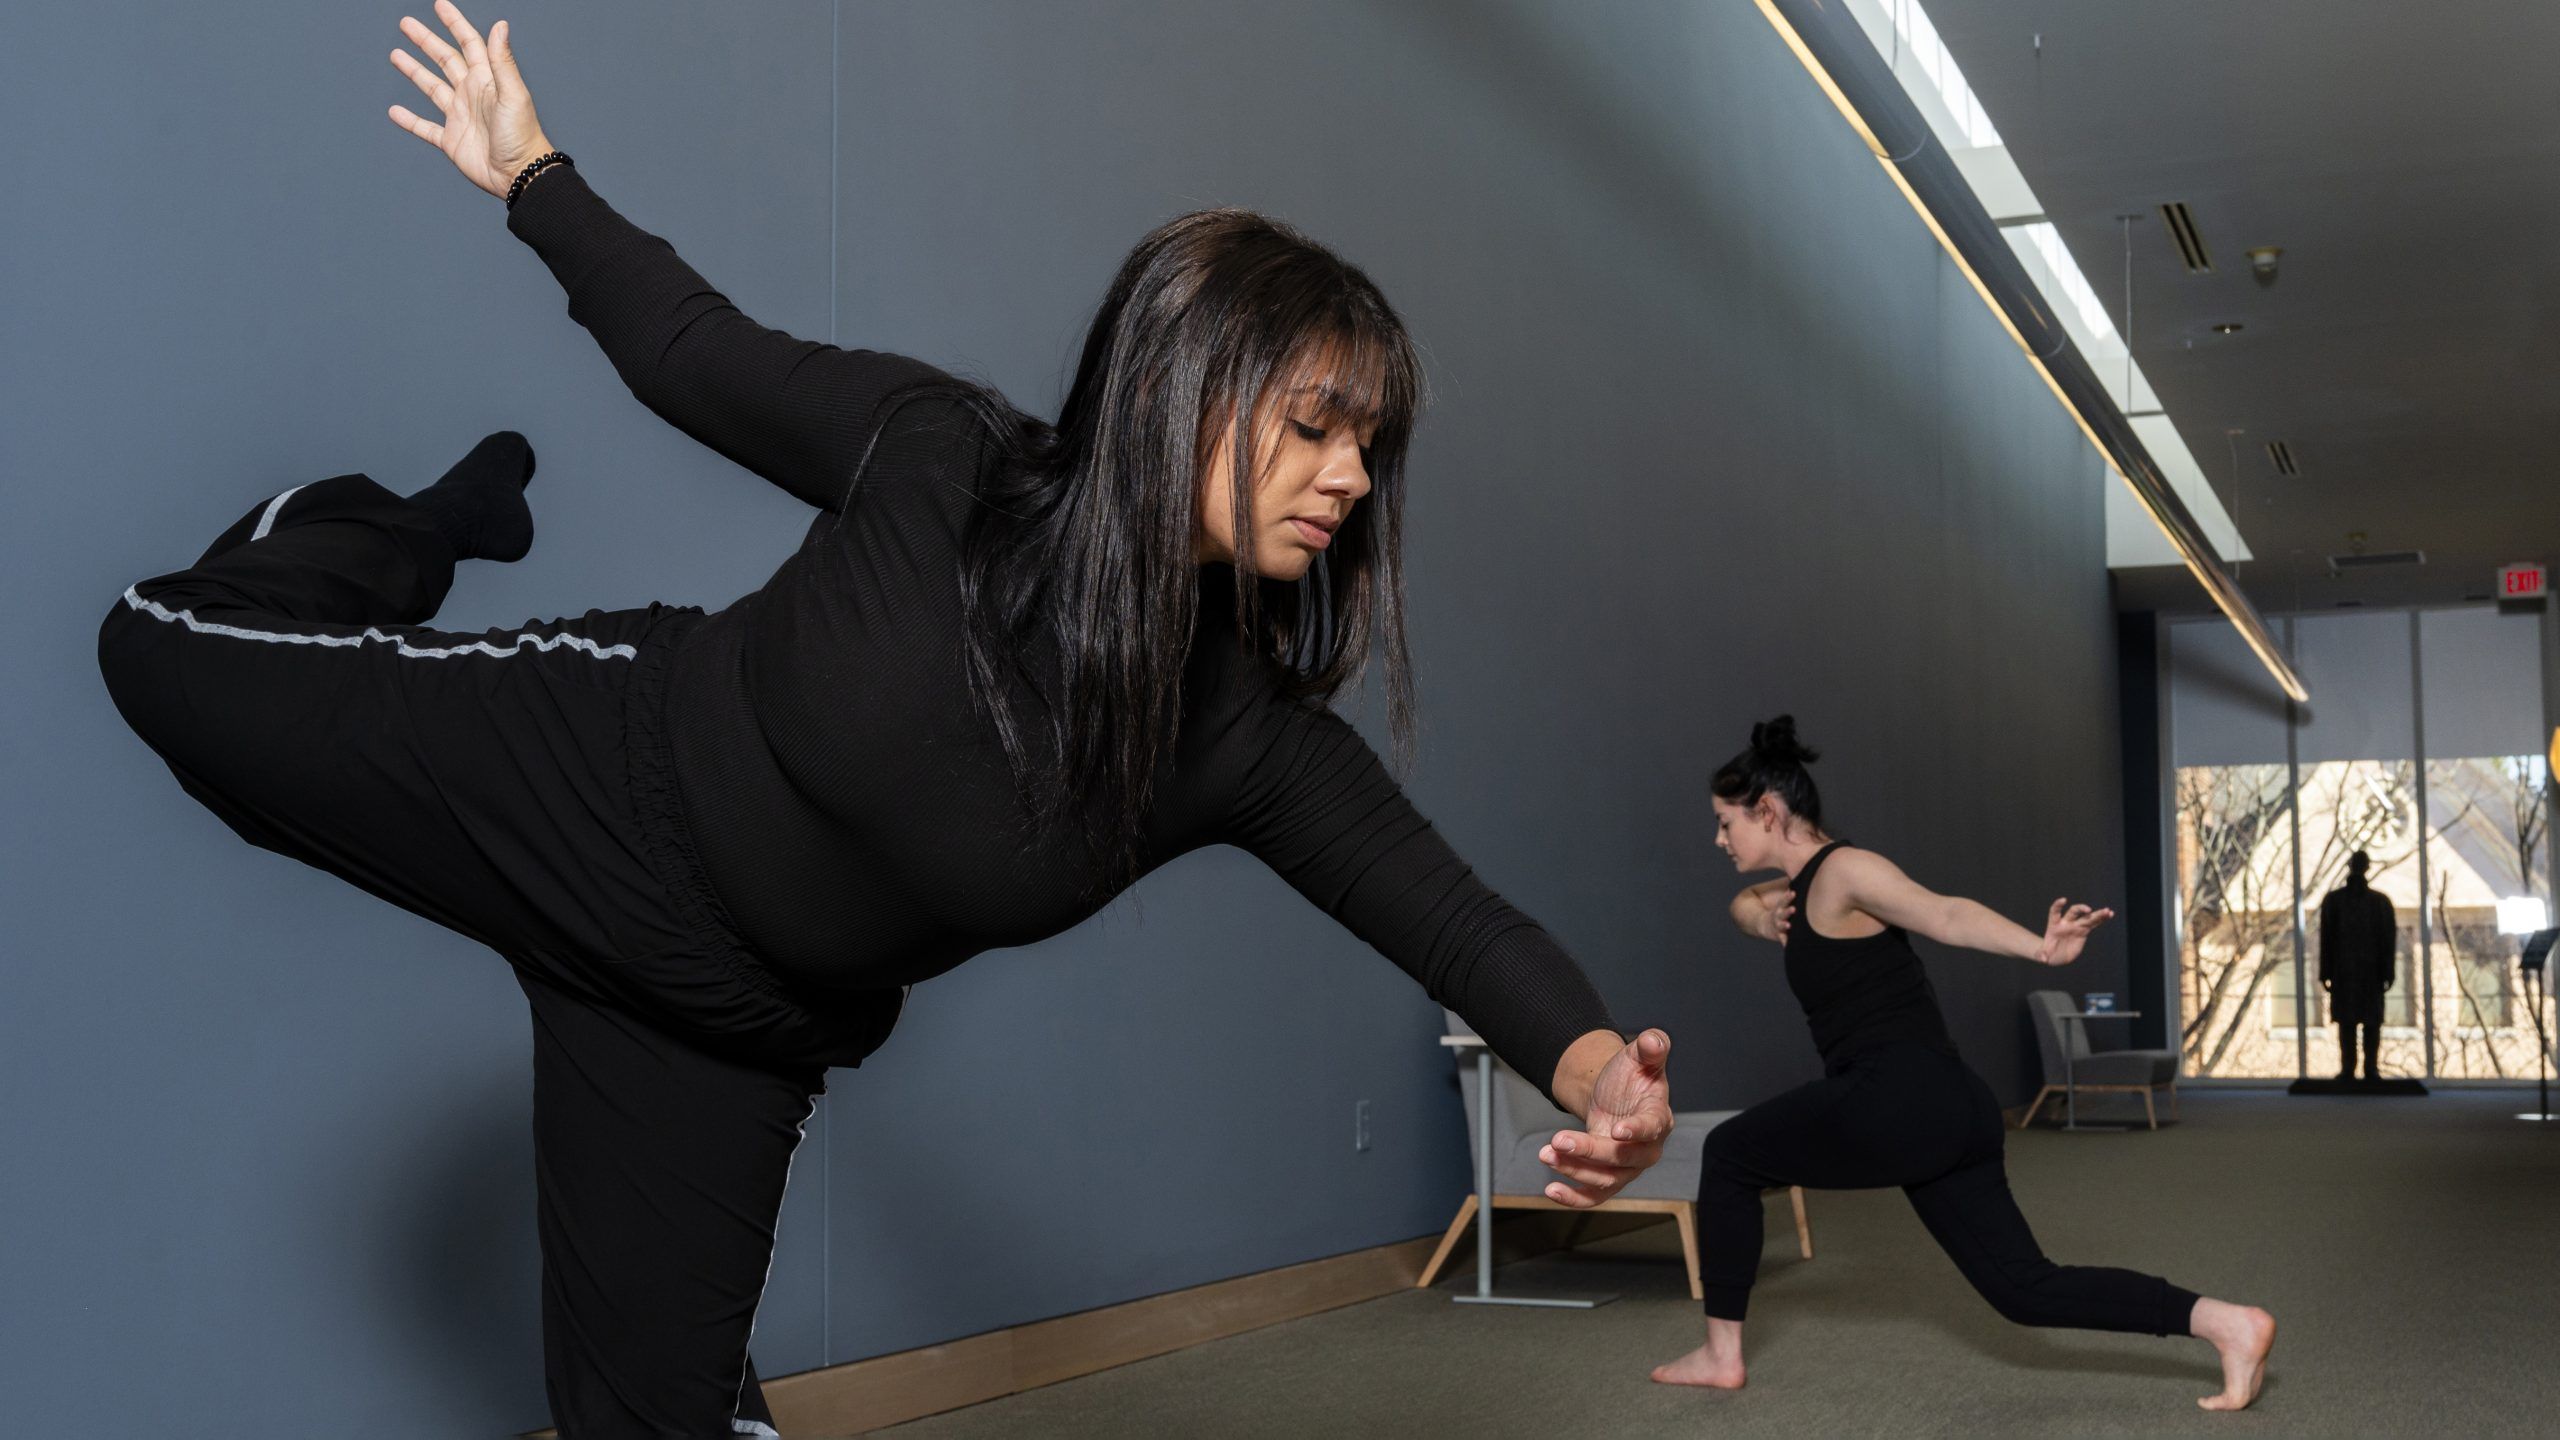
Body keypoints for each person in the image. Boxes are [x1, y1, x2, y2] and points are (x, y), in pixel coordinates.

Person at [93, 6, 1673, 1434]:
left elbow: (1449, 916)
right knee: (159, 651)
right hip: (592, 780)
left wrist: (1599, 1071)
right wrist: (533, 174)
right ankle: (396, 531)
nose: (1351, 475)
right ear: (1179, 386)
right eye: (1316, 425)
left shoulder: (1241, 738)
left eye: (1369, 444)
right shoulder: (941, 455)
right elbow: (691, 349)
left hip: (724, 1026)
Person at [1648, 718, 2275, 1413]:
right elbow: (1742, 905)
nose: (1719, 839)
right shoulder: (1799, 888)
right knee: (2024, 1290)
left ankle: (1721, 1354)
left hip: (1894, 1096)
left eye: (1725, 822)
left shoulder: (1847, 872)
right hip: (1949, 1108)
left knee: (1730, 1152)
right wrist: (1764, 920)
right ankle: (2227, 1323)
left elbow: (1944, 914)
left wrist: (2039, 948)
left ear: (1767, 811)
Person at [2317, 850, 2398, 1080]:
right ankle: (2355, 1069)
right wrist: (2325, 971)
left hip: (2362, 973)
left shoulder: (2375, 902)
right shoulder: (2341, 902)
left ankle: (2366, 1068)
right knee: (2350, 1023)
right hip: (2351, 972)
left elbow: (2388, 941)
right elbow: (2327, 940)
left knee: (2363, 1023)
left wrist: (2388, 971)